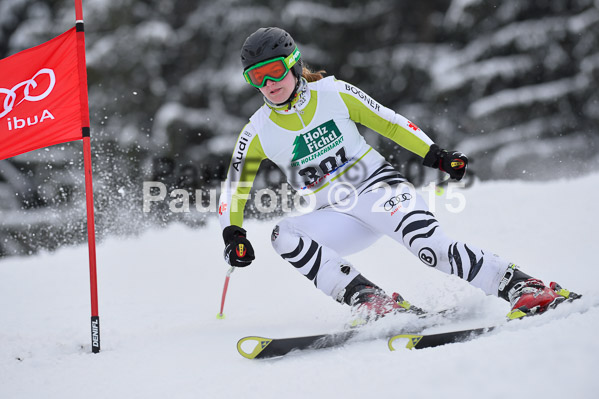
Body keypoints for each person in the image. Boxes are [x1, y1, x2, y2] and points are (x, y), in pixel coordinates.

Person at [218, 27, 578, 323]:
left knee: (429, 248)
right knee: (284, 235)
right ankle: (373, 302)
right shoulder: (257, 132)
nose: (269, 83)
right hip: (337, 214)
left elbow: (389, 122)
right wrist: (233, 234)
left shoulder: (334, 94)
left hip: (380, 190)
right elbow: (234, 189)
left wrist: (436, 155)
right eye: (257, 77)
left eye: (275, 71)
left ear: (294, 64)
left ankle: (522, 285)